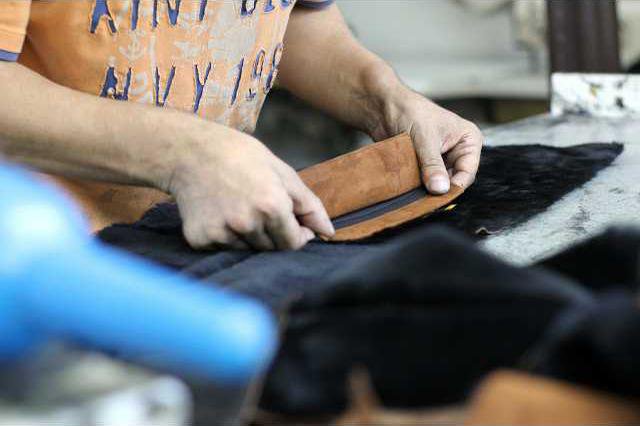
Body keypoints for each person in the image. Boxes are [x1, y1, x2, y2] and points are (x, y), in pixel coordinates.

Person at [0, 0, 483, 251]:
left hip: (191, 235)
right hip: (33, 250)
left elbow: (287, 18)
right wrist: (185, 154)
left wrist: (385, 99)